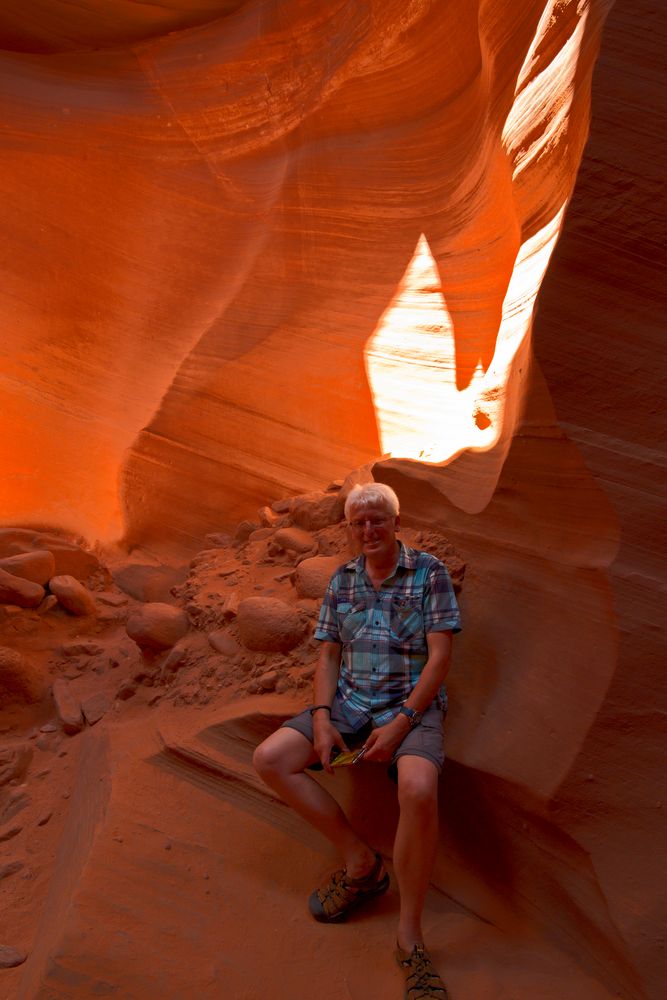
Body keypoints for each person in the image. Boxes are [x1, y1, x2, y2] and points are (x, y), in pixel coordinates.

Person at [253, 482, 461, 999]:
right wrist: (322, 718)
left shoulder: (428, 572)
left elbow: (439, 658)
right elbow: (326, 655)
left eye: (378, 520)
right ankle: (362, 864)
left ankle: (409, 939)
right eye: (359, 523)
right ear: (349, 528)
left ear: (395, 522)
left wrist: (403, 721)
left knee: (417, 790)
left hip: (411, 705)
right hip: (349, 704)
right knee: (271, 758)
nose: (369, 530)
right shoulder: (342, 580)